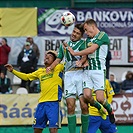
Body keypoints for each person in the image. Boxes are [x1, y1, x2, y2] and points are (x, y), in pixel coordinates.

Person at [67, 19, 115, 124]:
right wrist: (82, 62)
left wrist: (75, 53)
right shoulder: (88, 39)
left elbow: (92, 50)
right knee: (87, 96)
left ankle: (110, 111)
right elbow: (87, 55)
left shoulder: (103, 35)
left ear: (92, 26)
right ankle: (100, 108)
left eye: (87, 30)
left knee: (100, 98)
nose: (87, 33)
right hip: (87, 71)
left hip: (98, 71)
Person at [5, 50, 64, 133]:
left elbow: (65, 58)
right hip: (42, 104)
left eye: (50, 56)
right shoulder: (40, 71)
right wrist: (12, 71)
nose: (46, 57)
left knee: (53, 129)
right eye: (46, 56)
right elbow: (26, 77)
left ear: (55, 60)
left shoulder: (59, 68)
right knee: (37, 129)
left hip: (54, 103)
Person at [46, 24, 89, 133]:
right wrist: (50, 67)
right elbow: (58, 59)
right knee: (70, 107)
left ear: (81, 36)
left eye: (77, 33)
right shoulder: (64, 44)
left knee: (84, 106)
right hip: (69, 75)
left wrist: (81, 62)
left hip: (81, 75)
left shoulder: (83, 44)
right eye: (74, 32)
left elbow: (85, 56)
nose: (74, 34)